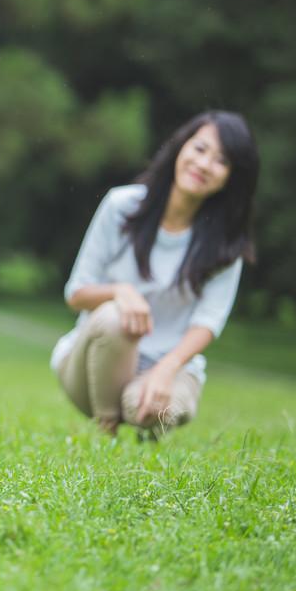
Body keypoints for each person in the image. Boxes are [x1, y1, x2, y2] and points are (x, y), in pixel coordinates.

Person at [51, 111, 259, 438]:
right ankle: (106, 430)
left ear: (232, 178)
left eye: (222, 161)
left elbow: (208, 321)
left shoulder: (226, 244)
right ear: (181, 148)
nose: (204, 165)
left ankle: (139, 415)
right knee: (115, 318)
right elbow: (76, 294)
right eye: (200, 149)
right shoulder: (122, 205)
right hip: (90, 365)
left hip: (167, 366)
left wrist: (166, 370)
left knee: (151, 410)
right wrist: (120, 292)